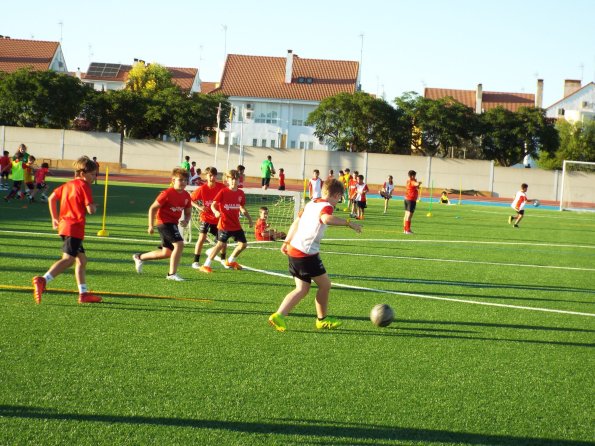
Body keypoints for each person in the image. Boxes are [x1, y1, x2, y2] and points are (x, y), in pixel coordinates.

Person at [268, 179, 362, 332]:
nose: (338, 201)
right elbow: (325, 218)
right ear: (336, 195)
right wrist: (349, 223)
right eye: (339, 198)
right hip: (306, 253)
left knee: (302, 289)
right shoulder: (326, 206)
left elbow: (296, 223)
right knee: (325, 285)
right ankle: (322, 320)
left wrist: (287, 241)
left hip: (294, 249)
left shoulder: (311, 203)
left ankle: (278, 315)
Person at [32, 156, 101, 304]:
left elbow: (51, 198)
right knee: (68, 260)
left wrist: (54, 218)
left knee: (82, 260)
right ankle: (43, 279)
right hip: (74, 227)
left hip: (65, 226)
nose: (94, 177)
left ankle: (83, 294)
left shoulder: (67, 185)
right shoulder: (84, 186)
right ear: (82, 173)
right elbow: (90, 210)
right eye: (92, 174)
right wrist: (94, 206)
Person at [132, 168, 192, 281]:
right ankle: (171, 274)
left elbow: (188, 213)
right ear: (173, 180)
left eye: (185, 180)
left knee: (167, 253)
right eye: (180, 180)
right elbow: (152, 208)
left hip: (173, 224)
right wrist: (150, 225)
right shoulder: (167, 194)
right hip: (164, 223)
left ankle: (139, 257)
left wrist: (186, 220)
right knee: (179, 244)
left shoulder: (187, 196)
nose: (183, 182)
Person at [199, 169, 253, 273]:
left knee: (243, 245)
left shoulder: (241, 193)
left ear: (238, 180)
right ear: (227, 180)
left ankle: (231, 261)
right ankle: (205, 265)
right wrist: (215, 212)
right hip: (224, 224)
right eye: (231, 179)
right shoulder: (223, 192)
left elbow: (242, 207)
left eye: (236, 179)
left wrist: (250, 219)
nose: (234, 181)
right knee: (220, 245)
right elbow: (213, 205)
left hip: (236, 225)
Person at [190, 166, 227, 269]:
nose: (212, 177)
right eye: (210, 175)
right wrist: (199, 206)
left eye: (214, 175)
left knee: (223, 241)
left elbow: (228, 197)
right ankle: (195, 261)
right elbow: (190, 200)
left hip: (218, 218)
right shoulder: (202, 189)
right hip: (206, 218)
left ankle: (224, 260)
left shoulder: (222, 187)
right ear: (206, 176)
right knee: (201, 238)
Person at [403, 170, 421, 234]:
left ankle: (405, 229)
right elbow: (417, 184)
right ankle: (408, 230)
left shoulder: (408, 181)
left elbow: (417, 187)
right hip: (411, 200)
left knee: (406, 215)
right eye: (415, 175)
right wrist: (419, 182)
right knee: (409, 216)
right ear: (412, 176)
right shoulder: (412, 181)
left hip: (407, 199)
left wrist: (417, 184)